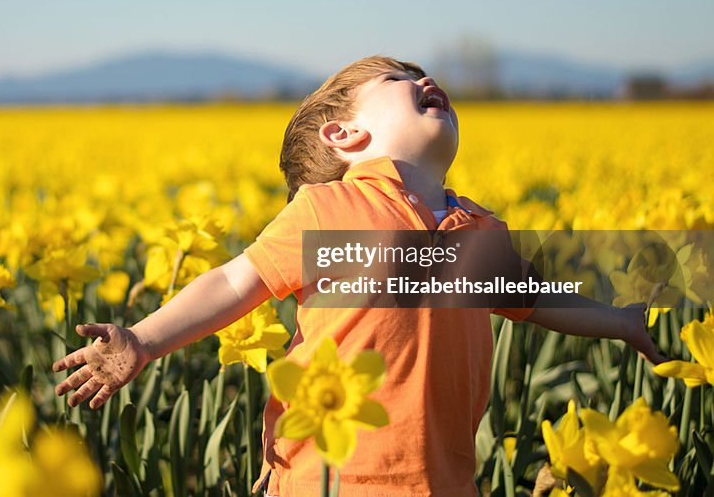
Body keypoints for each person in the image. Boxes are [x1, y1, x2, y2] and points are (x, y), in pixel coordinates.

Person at [52, 55, 666, 496]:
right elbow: (236, 283)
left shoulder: (481, 233)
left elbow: (538, 301)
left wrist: (619, 319)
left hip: (444, 482)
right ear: (345, 135)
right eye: (397, 79)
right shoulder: (327, 212)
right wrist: (145, 340)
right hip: (327, 477)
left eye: (419, 73)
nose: (425, 78)